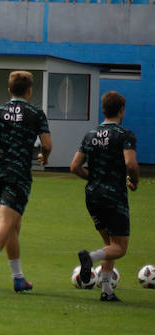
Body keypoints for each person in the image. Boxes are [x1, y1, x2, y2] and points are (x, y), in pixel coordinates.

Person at [0, 71, 52, 296]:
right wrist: (45, 156)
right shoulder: (35, 113)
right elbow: (47, 143)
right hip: (19, 174)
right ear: (29, 91)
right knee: (7, 222)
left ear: (9, 90)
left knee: (14, 225)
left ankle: (18, 278)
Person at [71, 91, 139, 302]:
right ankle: (89, 258)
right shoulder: (125, 135)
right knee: (119, 248)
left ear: (103, 110)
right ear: (121, 110)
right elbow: (130, 164)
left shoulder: (90, 134)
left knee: (109, 243)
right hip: (114, 196)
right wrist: (134, 180)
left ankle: (107, 290)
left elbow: (75, 166)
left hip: (92, 195)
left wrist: (94, 179)